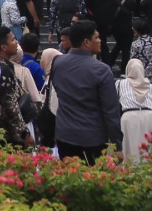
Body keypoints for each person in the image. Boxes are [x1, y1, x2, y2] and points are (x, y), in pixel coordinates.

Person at [48, 19, 122, 163]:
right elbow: (110, 110)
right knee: (94, 181)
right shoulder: (101, 70)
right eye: (96, 38)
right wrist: (117, 144)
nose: (100, 41)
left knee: (69, 178)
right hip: (92, 136)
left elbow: (57, 90)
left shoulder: (58, 63)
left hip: (64, 134)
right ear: (86, 42)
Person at [116, 58, 152, 163]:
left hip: (129, 117)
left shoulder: (120, 84)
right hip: (149, 117)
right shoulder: (151, 86)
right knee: (150, 148)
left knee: (131, 147)